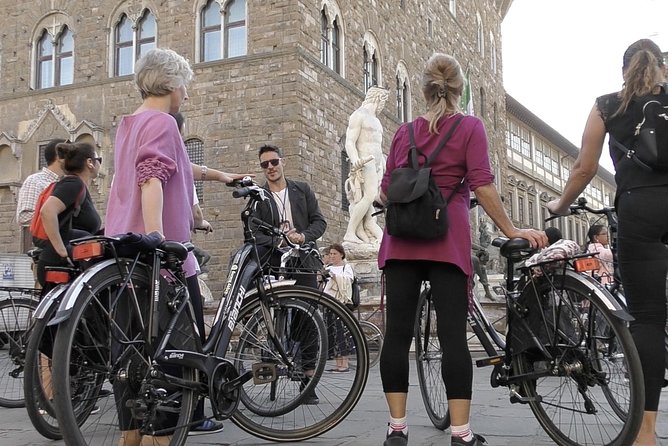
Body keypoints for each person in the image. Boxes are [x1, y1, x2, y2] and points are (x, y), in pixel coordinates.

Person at [375, 53, 546, 446]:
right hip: (446, 241)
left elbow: (386, 189)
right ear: (460, 90)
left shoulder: (404, 133)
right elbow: (482, 184)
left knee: (397, 337)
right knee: (453, 336)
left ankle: (397, 430)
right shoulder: (471, 127)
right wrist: (512, 227)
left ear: (423, 89)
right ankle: (460, 434)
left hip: (401, 242)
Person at [105, 48, 247, 444]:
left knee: (132, 362)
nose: (186, 91)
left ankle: (129, 437)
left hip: (123, 258)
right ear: (169, 83)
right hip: (159, 262)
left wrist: (223, 176)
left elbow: (179, 165)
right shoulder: (164, 122)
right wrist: (159, 241)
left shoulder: (129, 123)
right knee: (176, 363)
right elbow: (152, 177)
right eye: (184, 83)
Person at [547, 39, 668, 446]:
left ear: (624, 70)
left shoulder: (607, 105)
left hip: (640, 210)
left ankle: (646, 434)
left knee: (649, 319)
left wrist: (560, 204)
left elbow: (584, 166)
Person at [252, 143, 327, 404]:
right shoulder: (259, 197)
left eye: (274, 162)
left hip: (303, 260)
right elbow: (254, 233)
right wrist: (278, 242)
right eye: (265, 165)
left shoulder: (301, 190)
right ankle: (267, 373)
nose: (270, 167)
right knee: (267, 318)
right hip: (274, 262)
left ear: (282, 162)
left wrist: (303, 236)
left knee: (307, 318)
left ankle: (308, 379)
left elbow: (319, 221)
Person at [36, 142, 102, 288]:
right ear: (90, 163)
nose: (99, 164)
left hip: (67, 262)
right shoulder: (74, 183)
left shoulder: (77, 185)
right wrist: (61, 251)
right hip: (62, 263)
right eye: (99, 160)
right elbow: (47, 212)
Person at [343, 86, 389, 245]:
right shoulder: (358, 115)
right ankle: (350, 232)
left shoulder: (376, 120)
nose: (384, 104)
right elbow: (349, 141)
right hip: (365, 162)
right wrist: (355, 159)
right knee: (369, 196)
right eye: (385, 100)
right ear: (379, 98)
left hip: (376, 165)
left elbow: (379, 146)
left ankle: (366, 233)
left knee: (370, 203)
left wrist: (382, 166)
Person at [16, 138, 66, 228]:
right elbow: (24, 217)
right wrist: (61, 218)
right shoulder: (35, 181)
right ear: (60, 157)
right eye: (71, 155)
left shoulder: (69, 183)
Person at [322, 243, 354, 372]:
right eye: (330, 254)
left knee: (341, 332)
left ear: (341, 254)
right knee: (331, 332)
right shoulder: (328, 267)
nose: (332, 256)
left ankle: (344, 363)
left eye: (335, 254)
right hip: (328, 302)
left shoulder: (346, 267)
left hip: (340, 303)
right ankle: (337, 363)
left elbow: (349, 280)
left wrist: (336, 277)